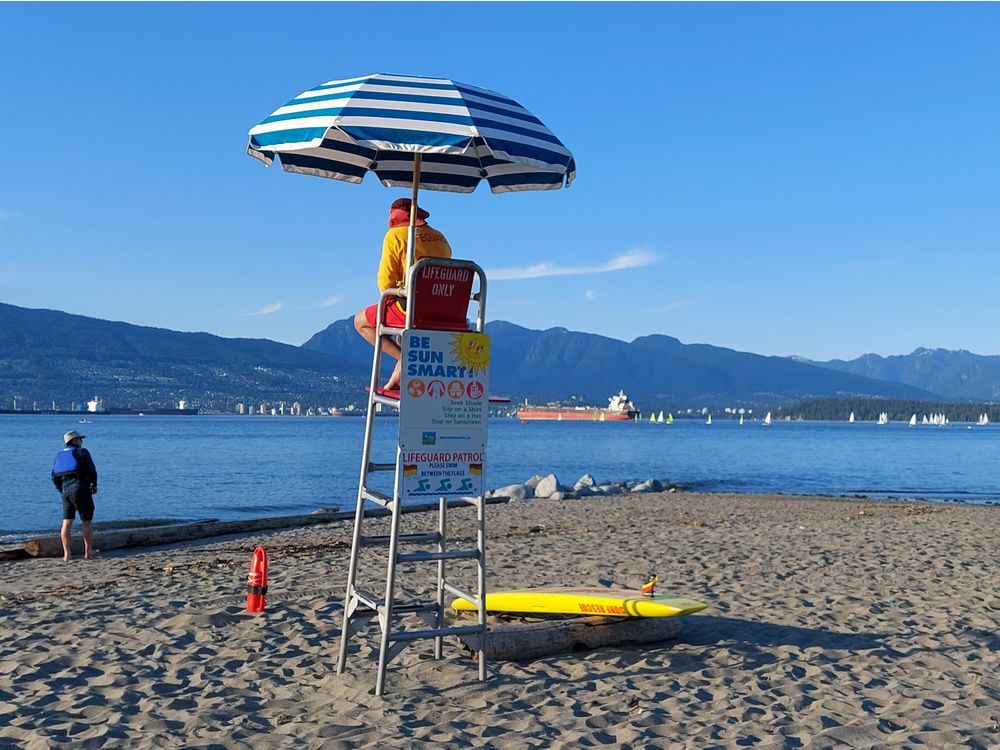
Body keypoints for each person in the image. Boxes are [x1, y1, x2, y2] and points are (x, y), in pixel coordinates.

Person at [354, 197, 452, 391]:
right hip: (447, 311)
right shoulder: (440, 236)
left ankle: (405, 359)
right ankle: (401, 370)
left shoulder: (395, 235)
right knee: (402, 326)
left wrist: (394, 291)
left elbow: (385, 283)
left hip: (413, 310)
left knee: (360, 321)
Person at [51, 430, 98, 561]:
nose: (81, 441)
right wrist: (94, 485)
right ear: (73, 441)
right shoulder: (82, 452)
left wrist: (61, 490)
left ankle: (67, 554)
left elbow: (54, 476)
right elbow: (92, 470)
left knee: (67, 522)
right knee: (87, 521)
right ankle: (88, 551)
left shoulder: (59, 455)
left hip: (65, 490)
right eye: (79, 439)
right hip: (80, 489)